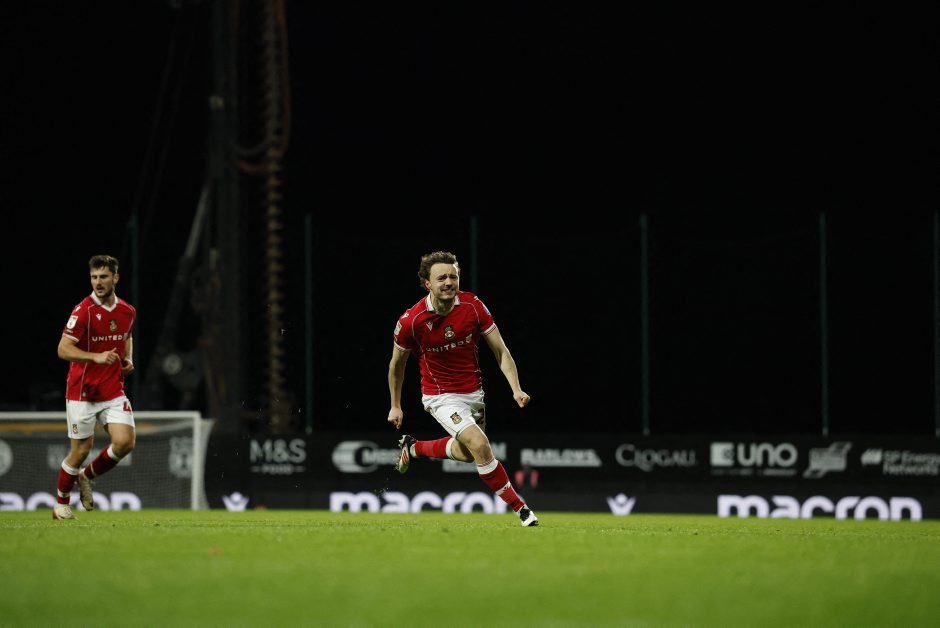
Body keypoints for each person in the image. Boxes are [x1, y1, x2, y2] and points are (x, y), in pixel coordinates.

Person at [387, 250, 538, 527]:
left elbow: (501, 351)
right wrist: (395, 405)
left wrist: (516, 388)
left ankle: (415, 448)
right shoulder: (411, 321)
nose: (449, 282)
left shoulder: (473, 306)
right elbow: (397, 365)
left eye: (453, 276)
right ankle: (522, 509)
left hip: (474, 393)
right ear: (427, 284)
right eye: (441, 278)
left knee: (467, 453)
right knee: (480, 445)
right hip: (440, 396)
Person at [52, 255, 137, 520]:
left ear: (115, 278)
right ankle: (61, 504)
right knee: (80, 451)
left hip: (112, 390)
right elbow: (63, 349)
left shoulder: (128, 311)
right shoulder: (83, 311)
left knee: (125, 442)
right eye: (94, 277)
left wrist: (128, 358)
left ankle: (87, 476)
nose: (98, 282)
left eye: (103, 277)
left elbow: (126, 336)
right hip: (83, 392)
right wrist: (95, 357)